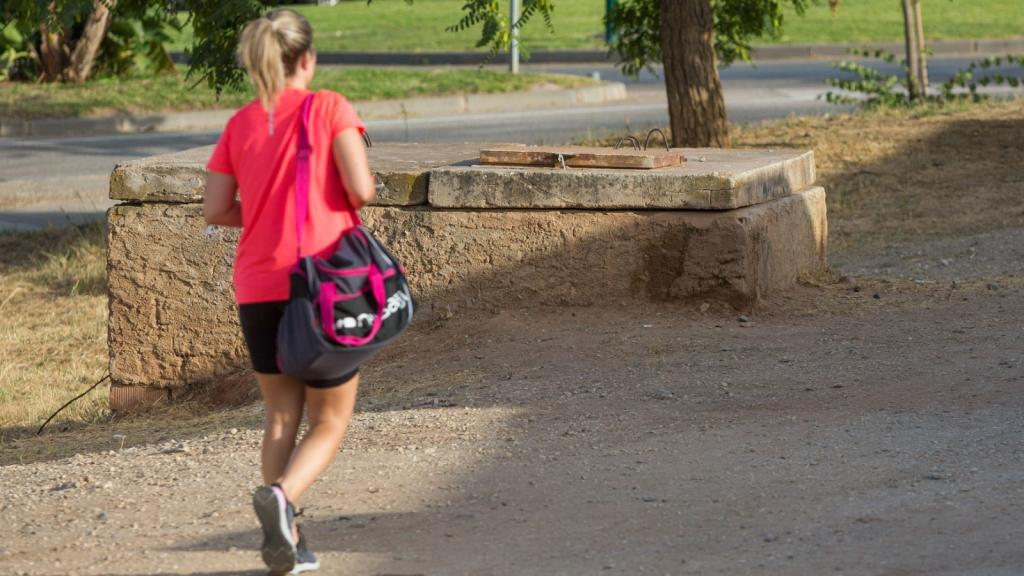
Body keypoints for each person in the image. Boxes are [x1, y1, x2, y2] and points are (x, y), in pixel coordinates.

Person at [203, 8, 376, 575]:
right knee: (329, 419)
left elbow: (216, 209)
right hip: (322, 284)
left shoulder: (239, 125)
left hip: (257, 285)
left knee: (280, 417)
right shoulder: (329, 107)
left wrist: (269, 210)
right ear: (308, 59)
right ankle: (284, 500)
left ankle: (289, 542)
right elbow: (362, 189)